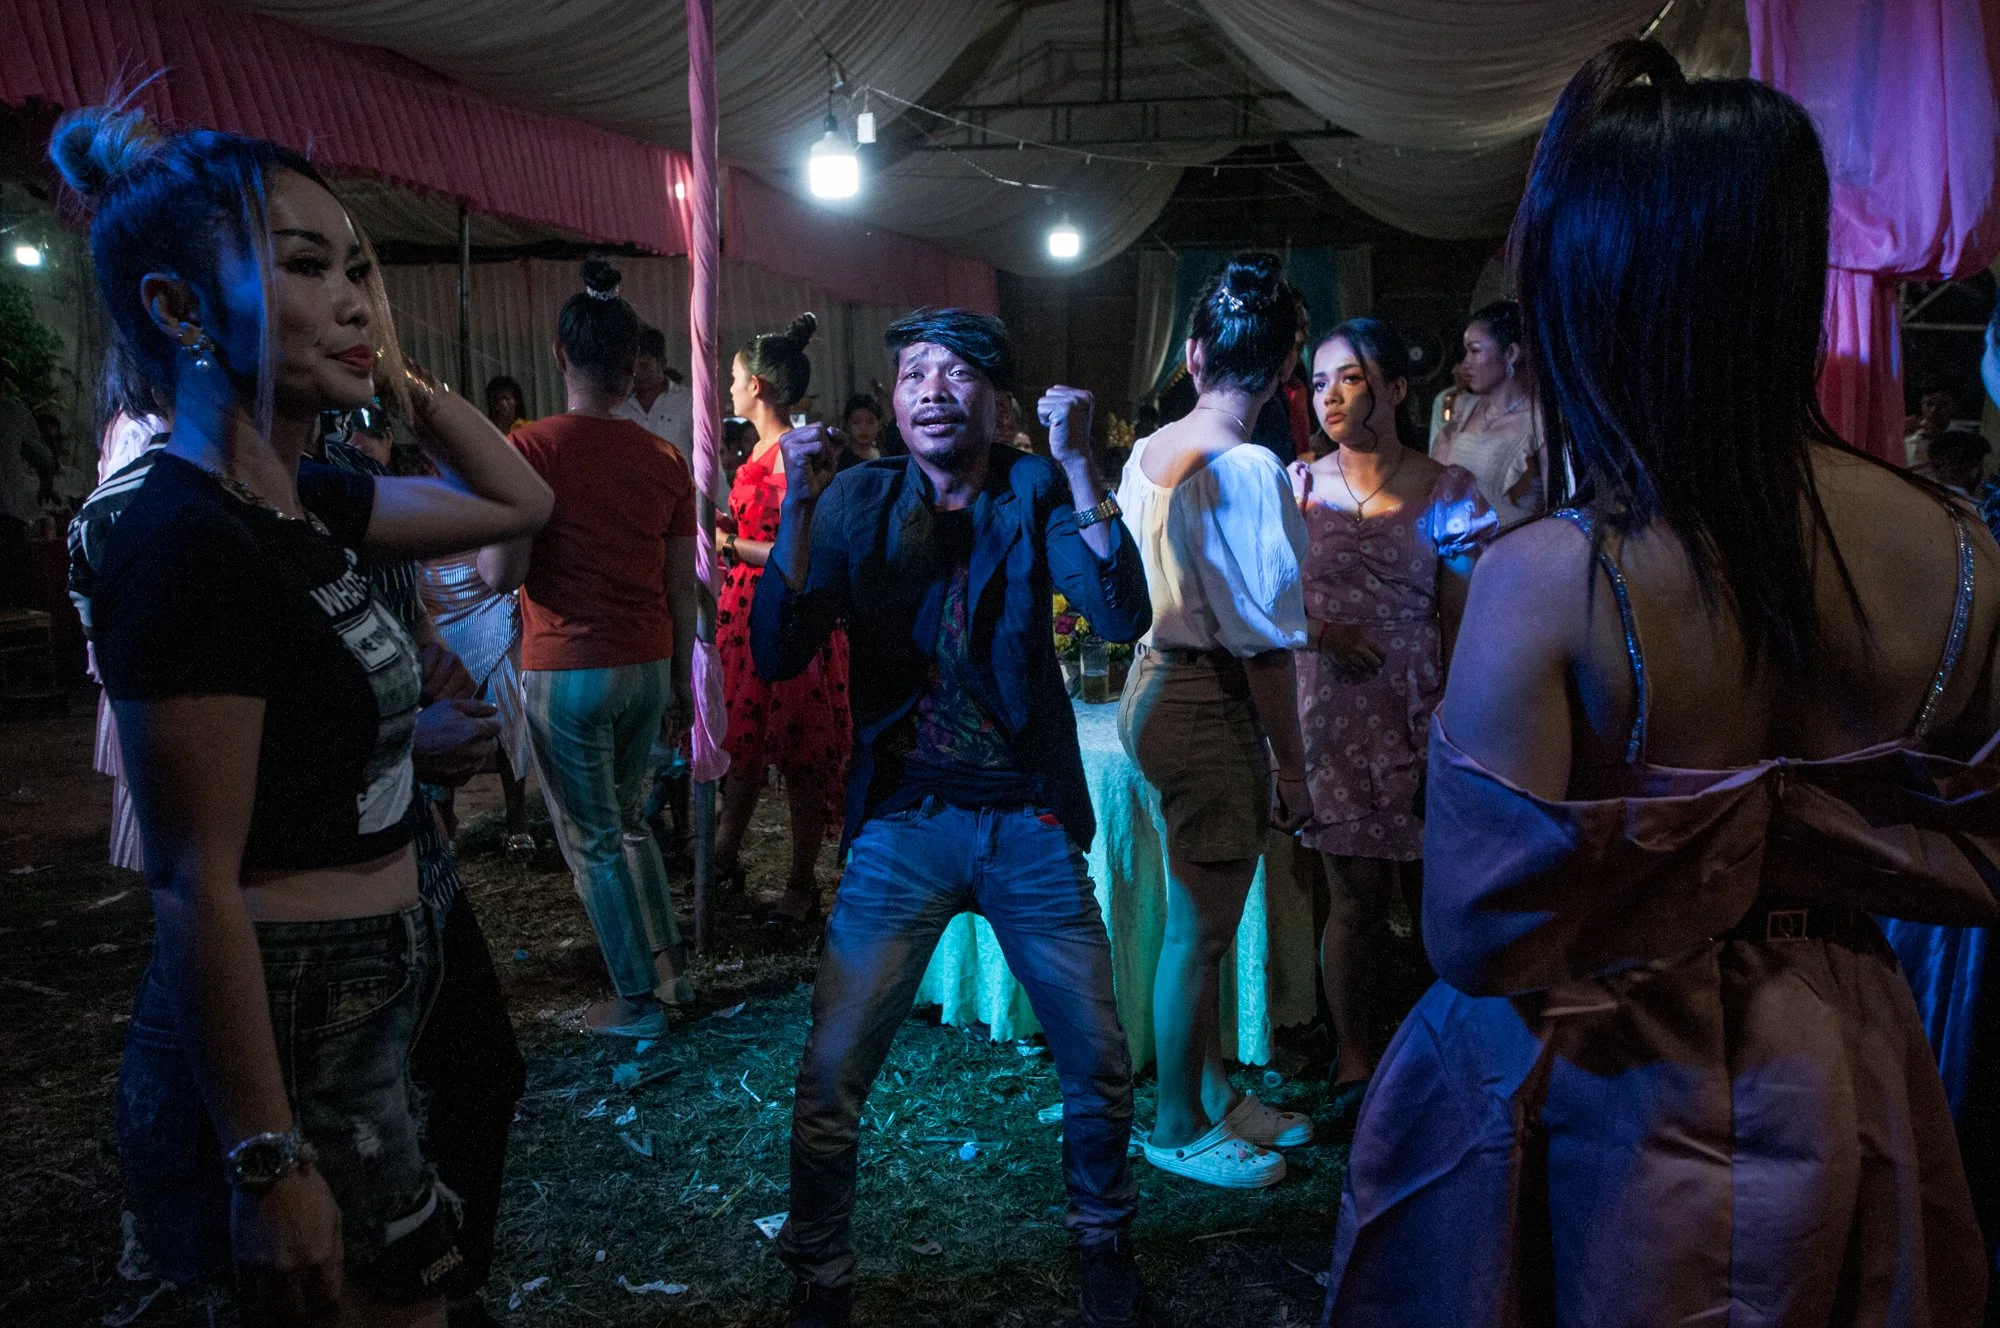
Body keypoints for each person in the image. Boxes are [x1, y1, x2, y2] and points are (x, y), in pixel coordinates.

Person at [1324, 43, 1997, 1325]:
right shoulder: (1956, 551)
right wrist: (1806, 842)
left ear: (1597, 296)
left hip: (1606, 1078)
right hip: (1846, 1053)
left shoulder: (1549, 577)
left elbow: (1469, 925)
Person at [55, 101, 552, 1327]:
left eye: (361, 270)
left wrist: (398, 380)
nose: (353, 301)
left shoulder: (303, 501)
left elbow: (517, 498)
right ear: (179, 309)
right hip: (297, 1014)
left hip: (379, 981)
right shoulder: (181, 537)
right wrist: (267, 1157)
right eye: (306, 266)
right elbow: (194, 880)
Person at [755, 308, 1151, 1328]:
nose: (931, 388)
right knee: (831, 1070)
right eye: (913, 373)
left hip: (1024, 817)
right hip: (904, 819)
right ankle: (820, 1272)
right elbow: (778, 651)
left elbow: (1119, 612)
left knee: (1098, 1056)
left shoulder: (1033, 486)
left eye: (957, 371)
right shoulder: (858, 498)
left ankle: (1103, 1238)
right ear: (893, 403)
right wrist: (798, 505)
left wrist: (1077, 464)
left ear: (1000, 401)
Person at [1114, 252, 1314, 1190]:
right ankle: (1176, 1124)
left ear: (1193, 355)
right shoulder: (1251, 466)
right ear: (1284, 370)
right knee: (1200, 930)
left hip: (1154, 681)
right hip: (1206, 697)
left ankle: (1211, 1089)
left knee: (1196, 917)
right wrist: (1297, 769)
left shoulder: (1147, 452)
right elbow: (1266, 646)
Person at [480, 260, 698, 1040]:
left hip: (569, 666)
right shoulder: (665, 460)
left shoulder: (529, 448)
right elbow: (681, 586)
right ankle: (670, 976)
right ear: (633, 363)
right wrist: (682, 682)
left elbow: (501, 572)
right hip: (646, 664)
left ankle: (635, 1003)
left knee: (593, 841)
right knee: (631, 824)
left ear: (559, 355)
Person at [1291, 319, 1496, 1115]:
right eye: (1318, 381)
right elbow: (1264, 600)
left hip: (1420, 702)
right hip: (1330, 710)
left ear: (1396, 388)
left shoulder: (1446, 489)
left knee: (1434, 895)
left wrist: (1453, 710)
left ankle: (1446, 1053)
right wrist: (1324, 634)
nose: (1331, 396)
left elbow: (1465, 616)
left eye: (1349, 377)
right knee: (1355, 896)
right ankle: (1353, 1056)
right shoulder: (1298, 488)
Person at [713, 313, 850, 932]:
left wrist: (730, 545)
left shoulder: (793, 457)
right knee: (743, 745)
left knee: (800, 756)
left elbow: (800, 552)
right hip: (745, 612)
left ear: (757, 386)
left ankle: (800, 883)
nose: (728, 389)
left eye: (734, 378)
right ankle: (722, 856)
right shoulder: (761, 452)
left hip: (786, 609)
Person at [1430, 301, 1543, 528]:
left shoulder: (1540, 422)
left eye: (1475, 351)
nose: (1466, 363)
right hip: (1457, 545)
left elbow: (1560, 507)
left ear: (1511, 353)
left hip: (1516, 545)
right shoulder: (1463, 410)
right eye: (1466, 352)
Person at [617, 324, 693, 460]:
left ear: (662, 363)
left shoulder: (687, 402)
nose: (636, 373)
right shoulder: (620, 407)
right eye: (632, 367)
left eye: (644, 366)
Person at [835, 393, 881, 470]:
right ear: (847, 425)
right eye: (856, 422)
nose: (864, 428)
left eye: (870, 422)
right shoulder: (840, 460)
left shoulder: (885, 453)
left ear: (879, 425)